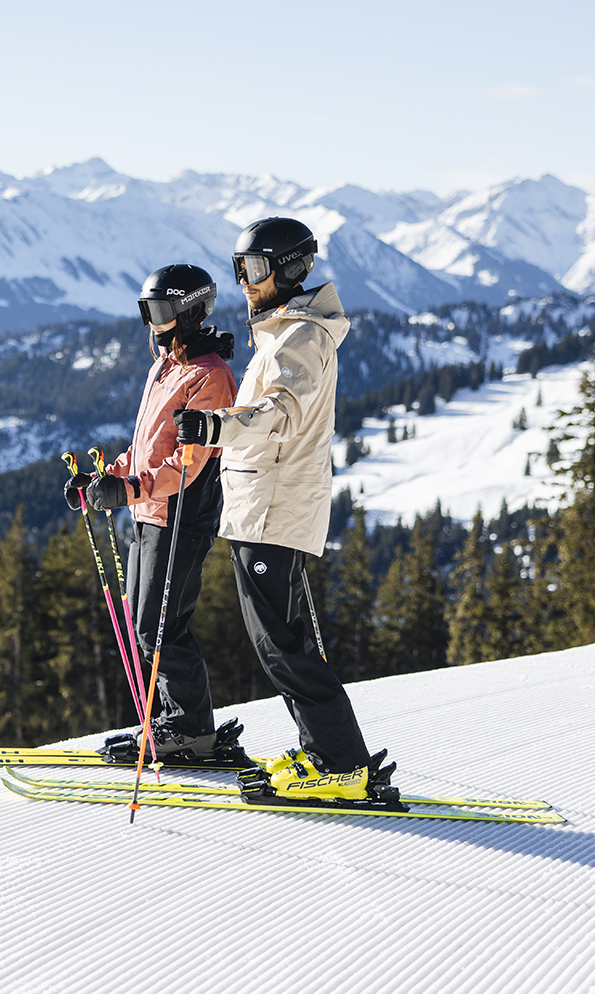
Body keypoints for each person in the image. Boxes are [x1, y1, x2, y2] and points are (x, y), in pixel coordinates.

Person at [173, 216, 394, 803]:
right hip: (263, 506)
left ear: (291, 268)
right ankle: (327, 752)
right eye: (240, 268)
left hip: (275, 509)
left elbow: (279, 411)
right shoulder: (284, 331)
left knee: (281, 644)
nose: (246, 280)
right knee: (283, 640)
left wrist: (214, 426)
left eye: (257, 268)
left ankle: (338, 763)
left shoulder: (302, 337)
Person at [64, 263, 239, 762]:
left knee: (160, 627)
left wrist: (132, 487)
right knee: (147, 626)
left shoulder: (212, 377)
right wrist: (108, 481)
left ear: (189, 311)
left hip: (182, 515)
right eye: (147, 311)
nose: (152, 323)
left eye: (160, 311)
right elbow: (145, 450)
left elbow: (187, 462)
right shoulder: (164, 367)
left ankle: (190, 729)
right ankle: (172, 722)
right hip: (149, 513)